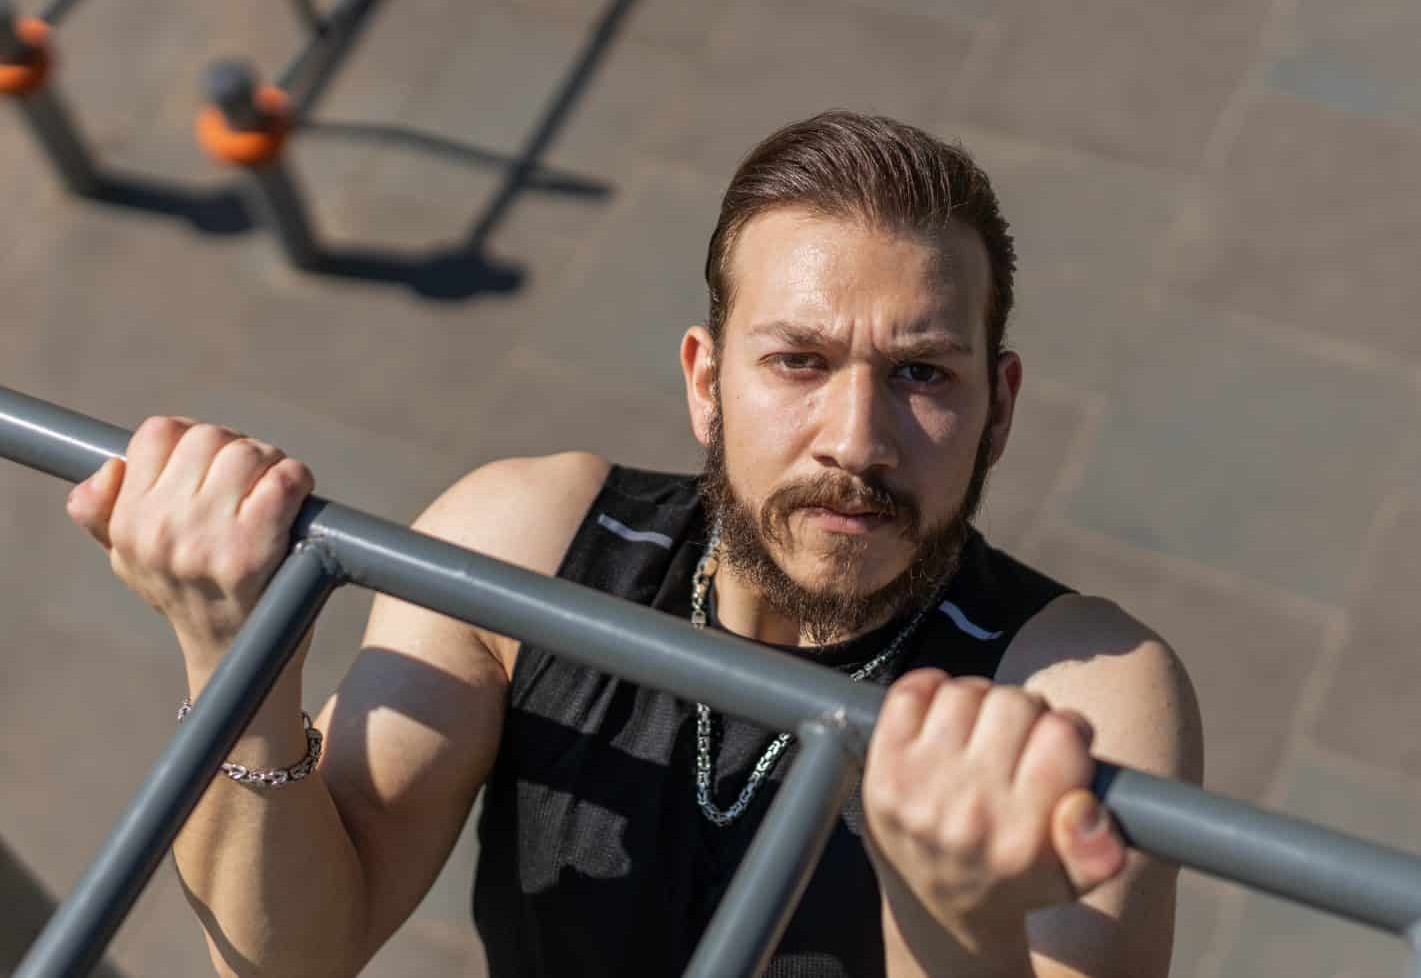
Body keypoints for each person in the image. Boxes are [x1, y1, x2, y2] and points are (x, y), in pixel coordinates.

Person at [65, 111, 1203, 977]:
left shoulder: (1078, 694)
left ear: (999, 406)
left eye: (922, 374)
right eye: (798, 363)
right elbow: (292, 955)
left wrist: (960, 926)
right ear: (706, 383)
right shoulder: (529, 541)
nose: (858, 441)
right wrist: (234, 659)